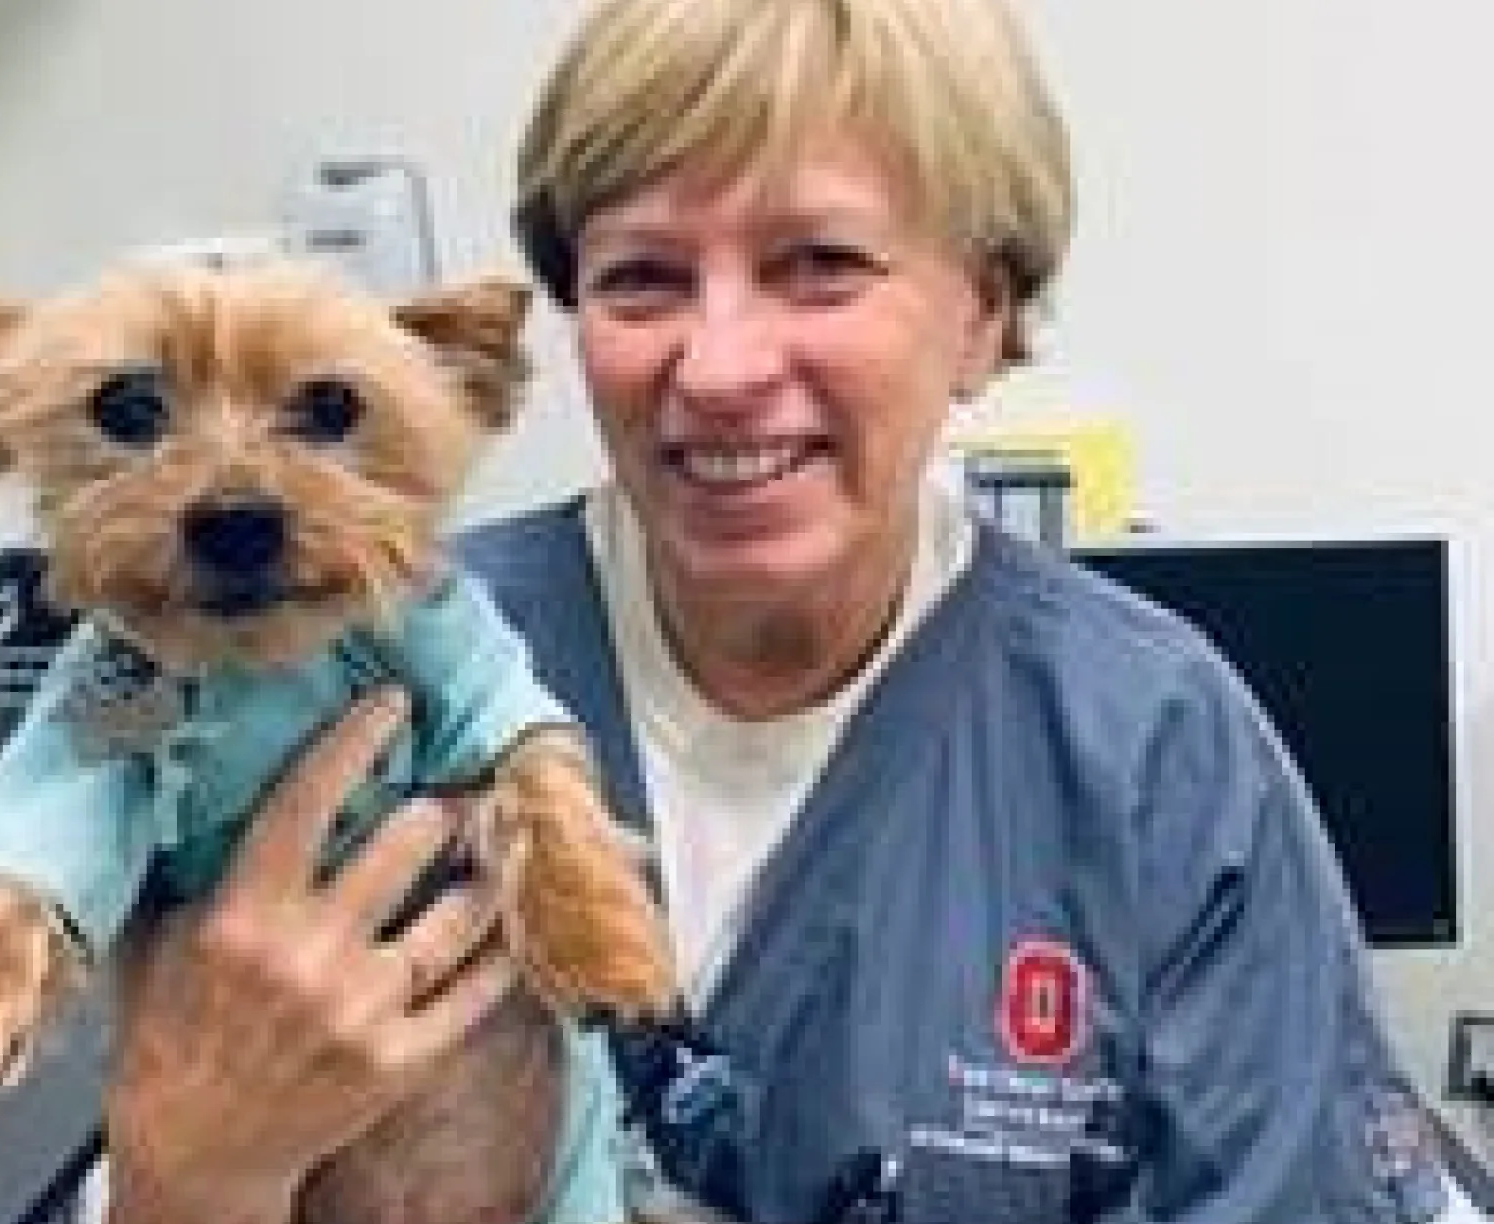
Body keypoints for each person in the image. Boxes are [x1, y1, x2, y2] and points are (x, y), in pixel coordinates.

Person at [101, 0, 1489, 1220]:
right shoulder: (347, 661)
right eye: (640, 275)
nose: (716, 366)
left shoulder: (1149, 755)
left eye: (819, 263)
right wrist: (194, 1178)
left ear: (984, 315)